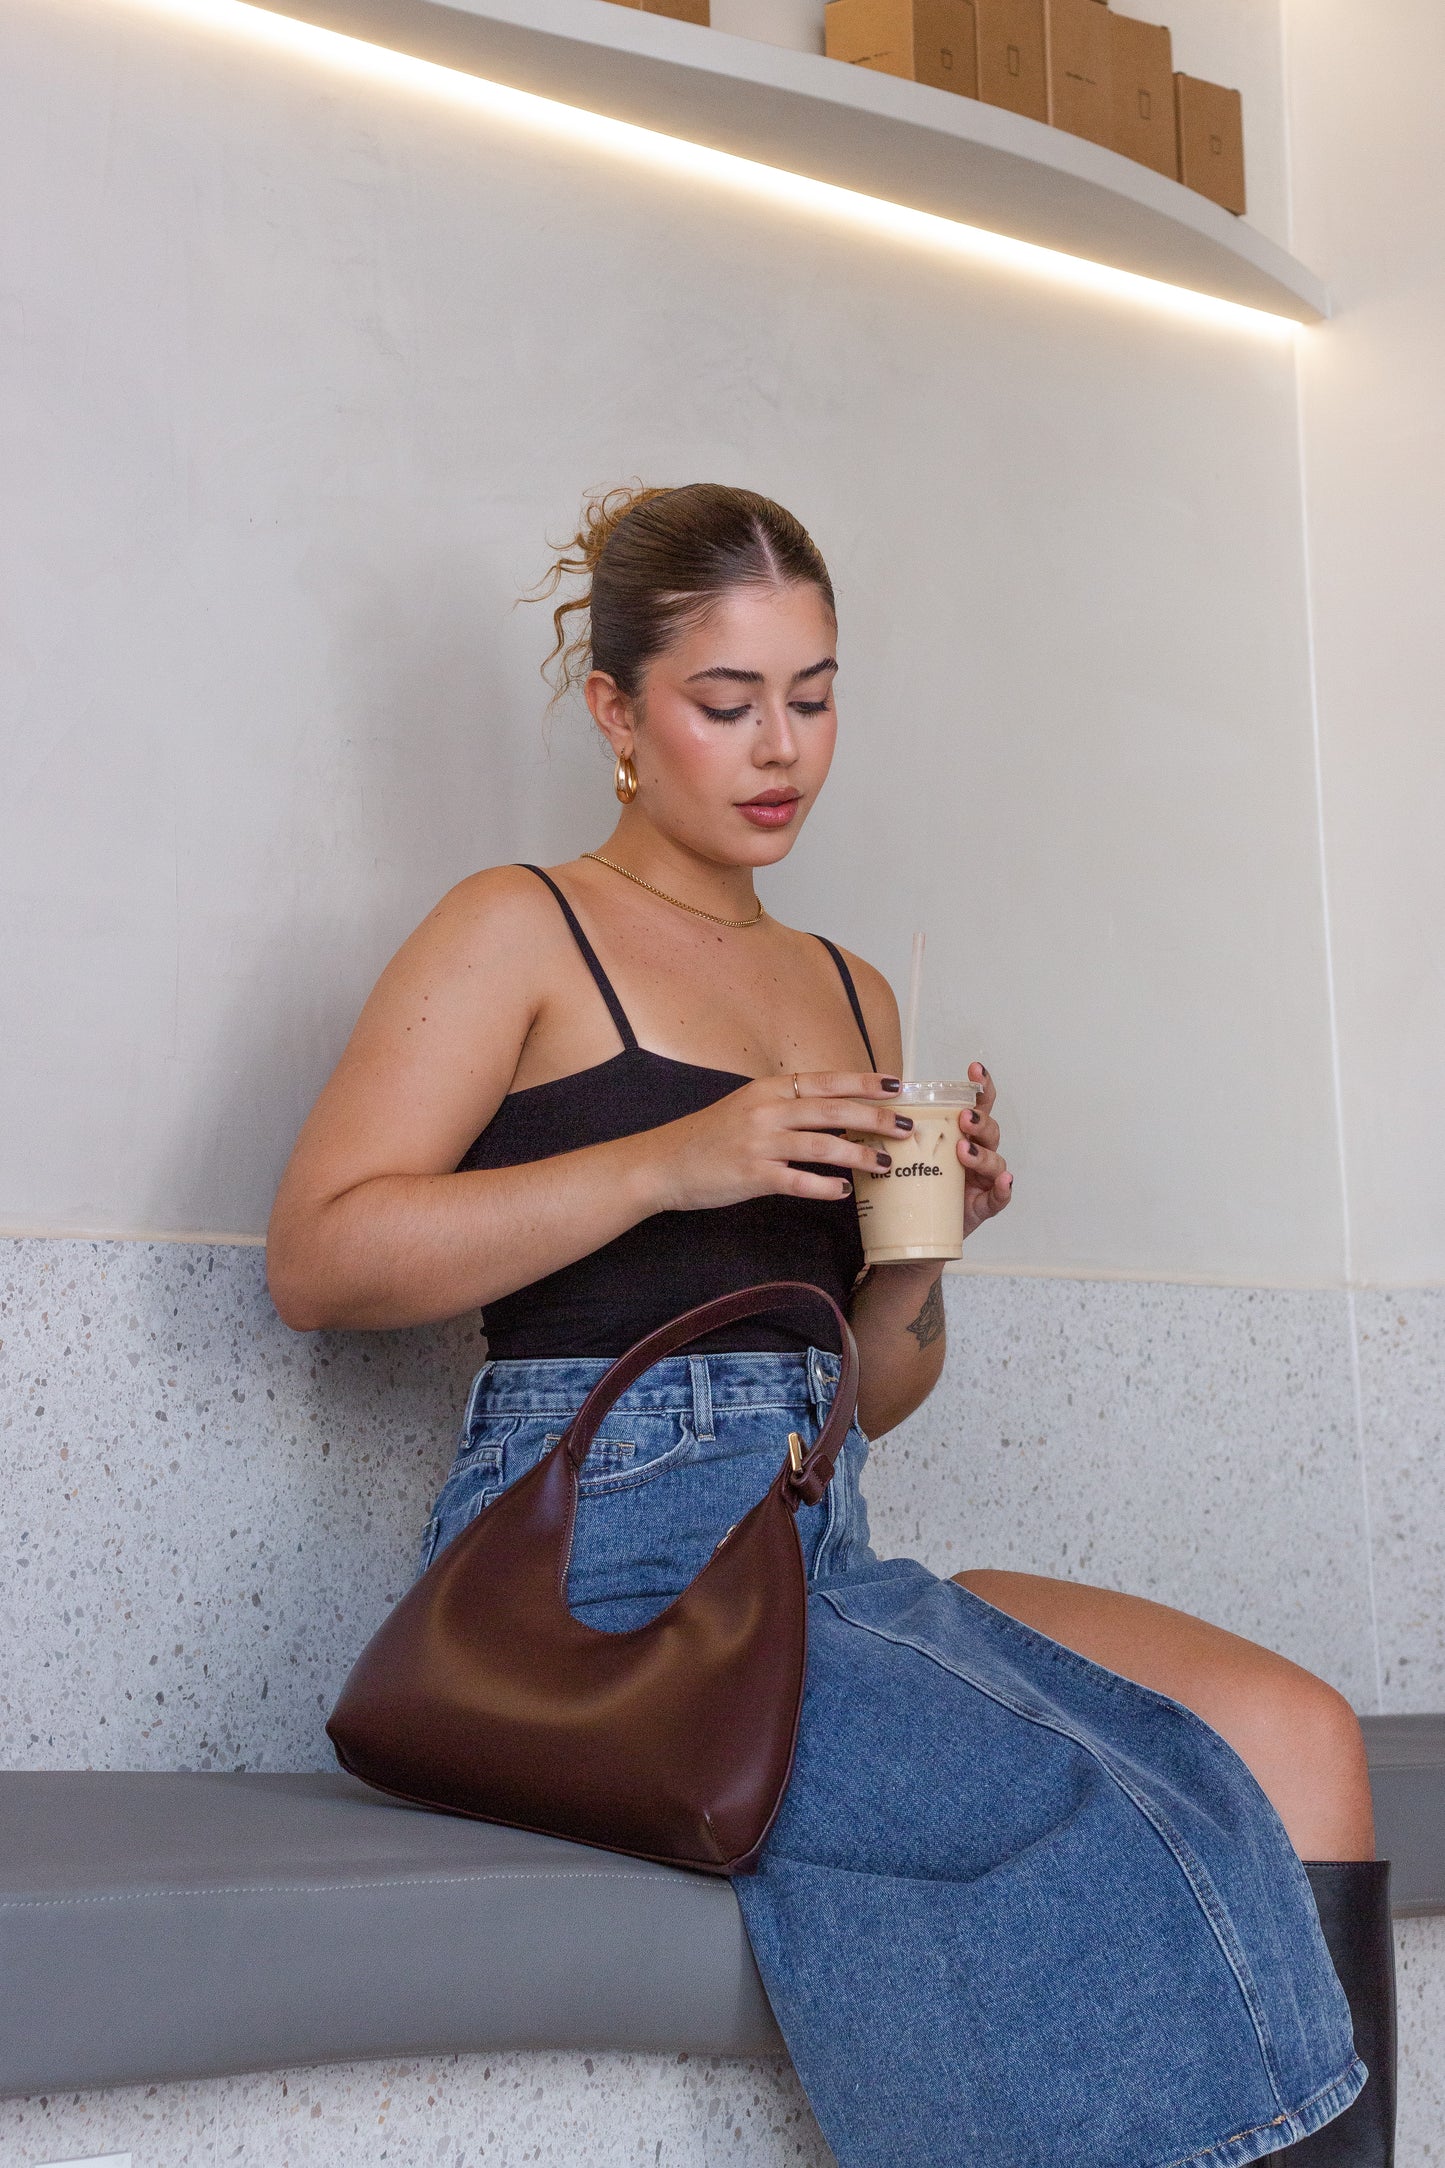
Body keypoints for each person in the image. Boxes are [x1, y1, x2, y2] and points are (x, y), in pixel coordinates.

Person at [267, 484, 1394, 2168]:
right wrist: (672, 1159)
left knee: (1280, 1737)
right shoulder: (519, 928)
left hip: (812, 1552)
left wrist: (922, 1263)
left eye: (812, 695)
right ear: (617, 715)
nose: (780, 747)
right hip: (610, 1578)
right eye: (727, 703)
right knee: (1081, 1800)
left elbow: (861, 1397)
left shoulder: (855, 989)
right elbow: (320, 1259)